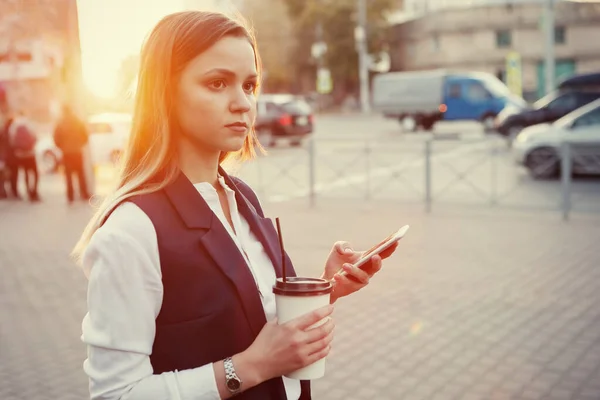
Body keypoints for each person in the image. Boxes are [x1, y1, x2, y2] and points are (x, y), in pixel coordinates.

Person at [73, 11, 398, 400]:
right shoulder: (131, 232)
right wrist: (252, 366)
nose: (243, 102)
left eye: (250, 84)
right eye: (217, 83)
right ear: (164, 92)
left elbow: (250, 314)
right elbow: (116, 394)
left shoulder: (242, 196)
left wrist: (326, 289)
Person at [53, 104, 90, 203]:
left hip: (67, 153)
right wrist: (79, 144)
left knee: (68, 175)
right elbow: (85, 136)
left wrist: (62, 147)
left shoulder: (60, 123)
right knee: (81, 174)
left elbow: (56, 138)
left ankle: (70, 196)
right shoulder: (77, 121)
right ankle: (84, 194)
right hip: (77, 151)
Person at [6, 111, 40, 201]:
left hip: (20, 154)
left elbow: (11, 140)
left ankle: (28, 191)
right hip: (30, 153)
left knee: (26, 173)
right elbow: (35, 137)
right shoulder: (29, 123)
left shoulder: (14, 125)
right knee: (35, 173)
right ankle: (34, 191)